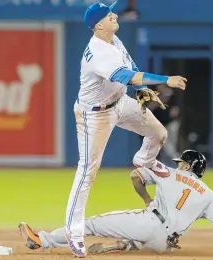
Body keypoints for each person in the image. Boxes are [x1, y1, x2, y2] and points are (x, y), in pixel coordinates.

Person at [65, 1, 187, 257]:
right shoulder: (98, 51)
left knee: (158, 133)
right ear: (98, 25)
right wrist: (167, 80)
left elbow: (130, 69)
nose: (113, 15)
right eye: (108, 15)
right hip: (94, 115)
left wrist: (139, 90)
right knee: (87, 171)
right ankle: (73, 231)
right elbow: (128, 76)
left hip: (120, 102)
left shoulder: (114, 39)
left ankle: (144, 160)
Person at [19, 150, 213, 256]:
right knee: (151, 239)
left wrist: (146, 199)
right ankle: (125, 245)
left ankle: (42, 240)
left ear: (187, 166)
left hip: (149, 223)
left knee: (91, 224)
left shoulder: (169, 172)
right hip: (166, 243)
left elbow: (135, 176)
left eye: (182, 162)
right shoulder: (209, 194)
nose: (179, 165)